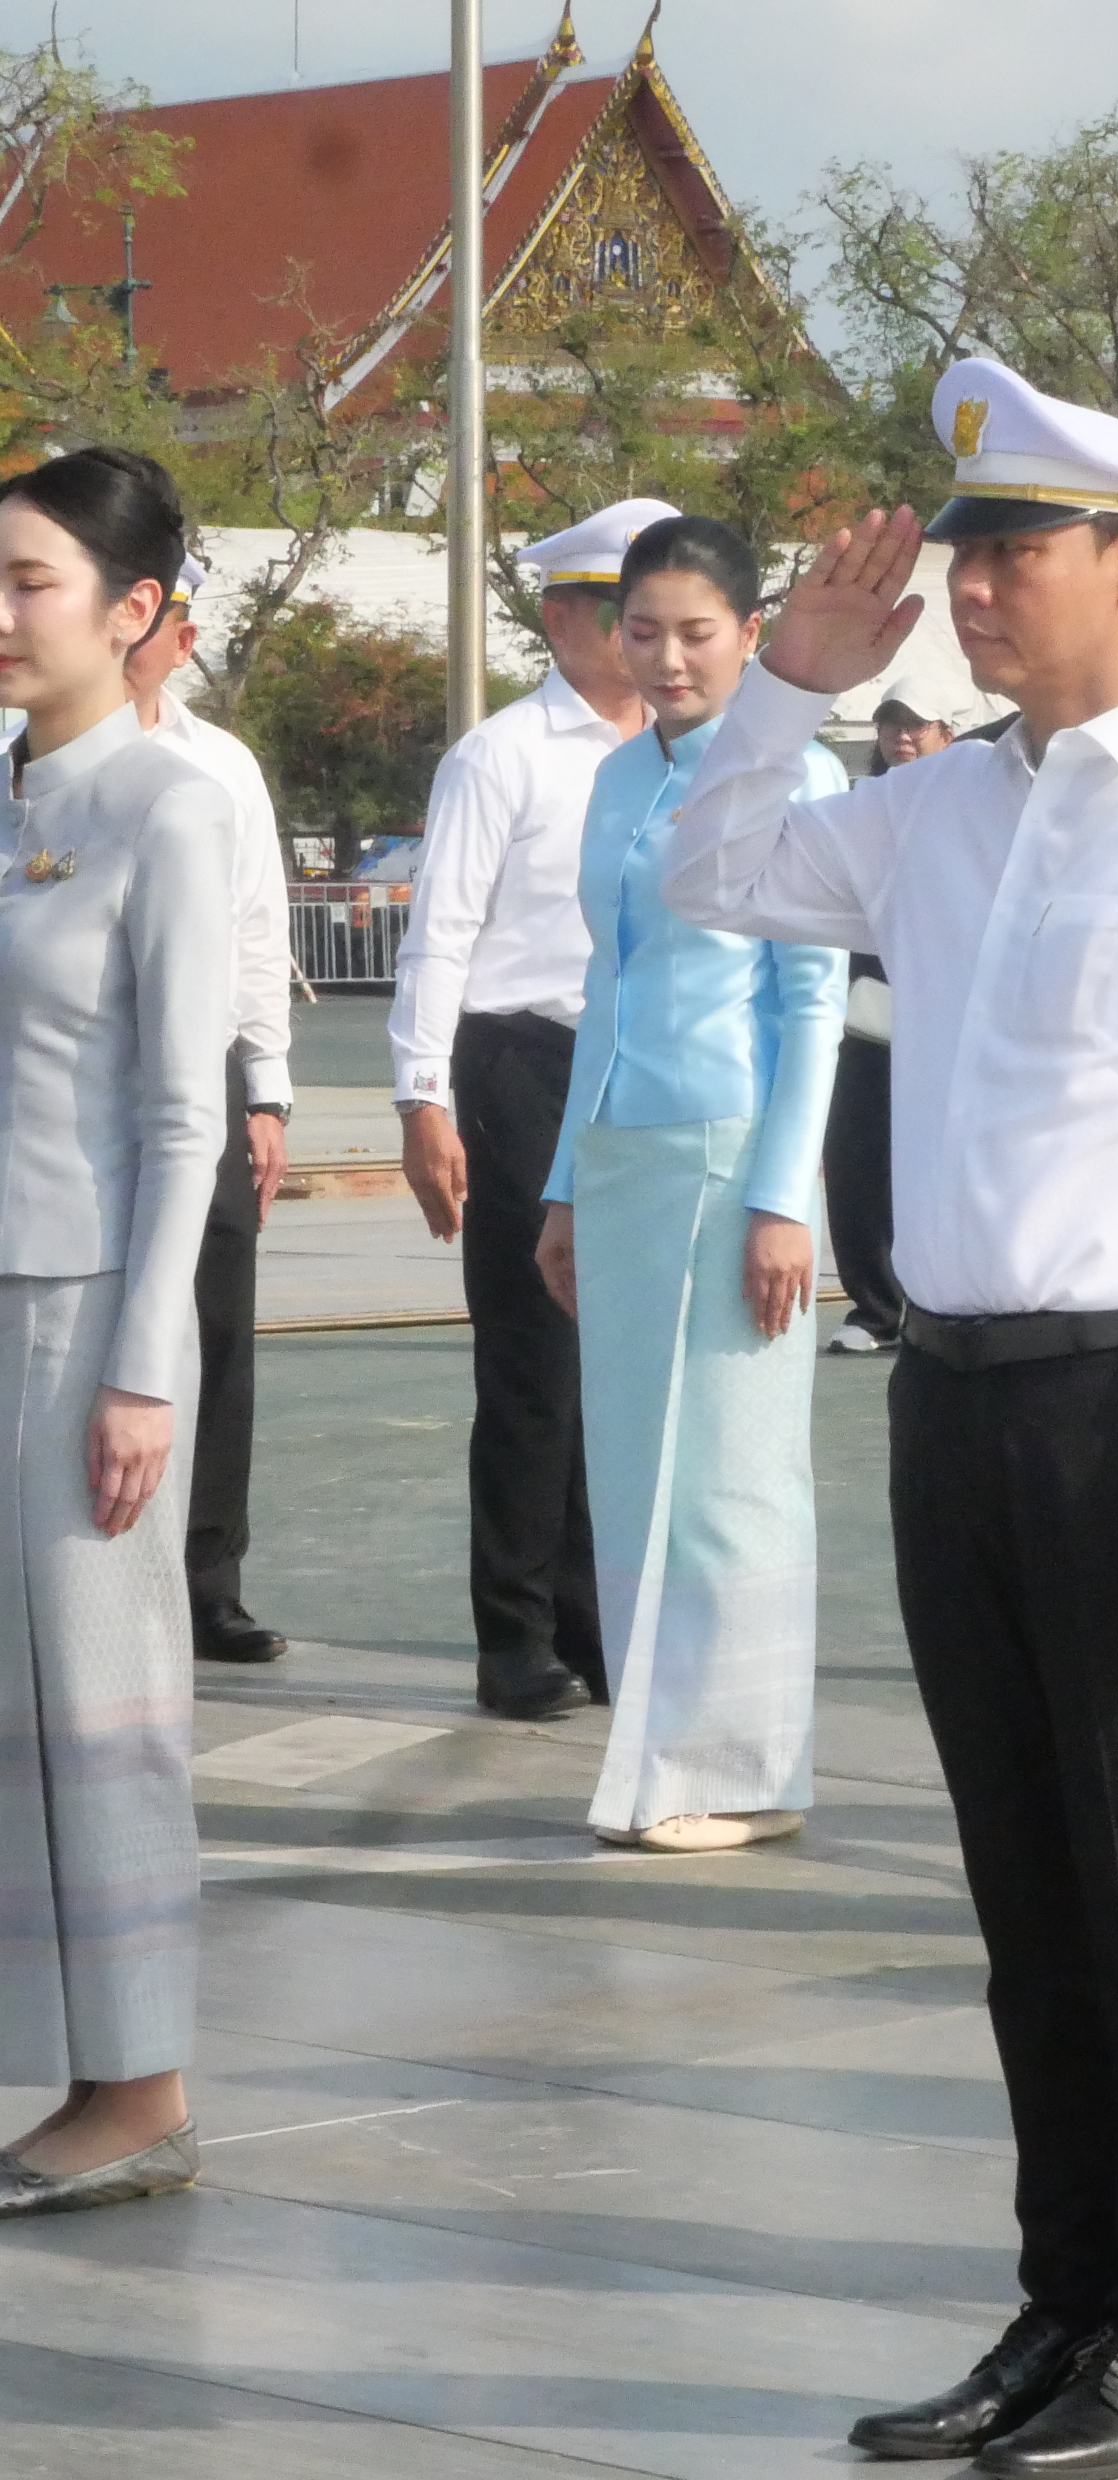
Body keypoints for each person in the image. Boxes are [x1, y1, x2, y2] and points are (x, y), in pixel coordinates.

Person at [665, 360, 1118, 2473]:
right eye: (963, 551)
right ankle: (1061, 2304)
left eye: (1016, 551)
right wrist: (786, 680)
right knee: (1026, 1896)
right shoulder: (941, 802)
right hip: (957, 1404)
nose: (973, 588)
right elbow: (712, 870)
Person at [531, 516, 848, 1857]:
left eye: (695, 632)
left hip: (733, 1149)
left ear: (751, 633)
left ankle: (752, 1765)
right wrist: (559, 1185)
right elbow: (601, 987)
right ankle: (660, 1756)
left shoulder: (804, 777)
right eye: (642, 630)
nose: (665, 657)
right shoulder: (615, 782)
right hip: (621, 1154)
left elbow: (813, 1002)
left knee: (734, 1473)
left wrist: (786, 1201)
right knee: (633, 1467)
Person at [0, 447, 233, 2218]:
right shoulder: (5, 795)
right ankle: (64, 2058)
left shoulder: (172, 806)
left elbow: (183, 1119)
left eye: (31, 584)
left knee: (105, 1700)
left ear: (134, 608)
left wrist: (149, 1366)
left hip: (89, 1304)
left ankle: (138, 2084)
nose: (2, 616)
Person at [389, 497, 678, 1719]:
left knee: (619, 1365)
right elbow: (439, 928)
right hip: (516, 1061)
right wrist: (421, 1096)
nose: (651, 642)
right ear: (563, 617)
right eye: (624, 614)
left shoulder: (679, 751)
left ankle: (593, 1618)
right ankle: (512, 1633)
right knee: (532, 1359)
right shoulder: (504, 754)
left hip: (639, 1068)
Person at [129, 554, 296, 1668]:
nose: (159, 646)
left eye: (171, 626)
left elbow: (256, 928)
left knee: (218, 1323)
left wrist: (270, 1086)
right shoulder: (15, 754)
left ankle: (207, 1576)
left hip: (212, 1064)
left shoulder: (221, 764)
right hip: (77, 1072)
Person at [817, 691, 957, 1359]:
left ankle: (935, 1303)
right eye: (891, 723)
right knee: (858, 1157)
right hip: (870, 1009)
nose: (902, 736)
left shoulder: (975, 804)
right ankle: (874, 1309)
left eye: (917, 723)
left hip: (952, 1013)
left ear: (947, 731)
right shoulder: (861, 804)